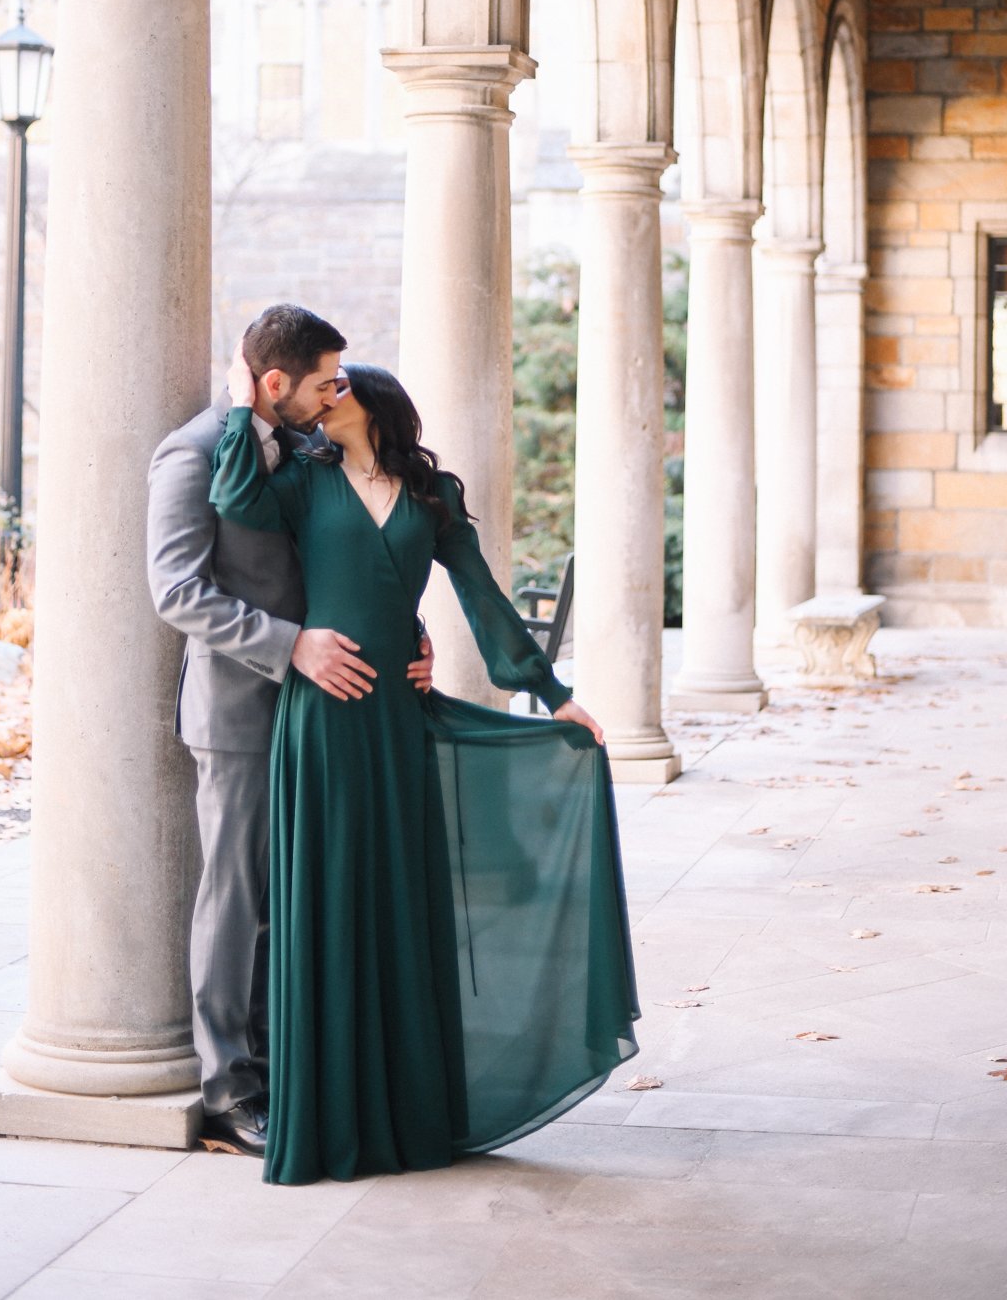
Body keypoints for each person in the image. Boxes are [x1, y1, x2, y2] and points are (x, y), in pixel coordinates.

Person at [211, 349, 640, 1187]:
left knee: (400, 902)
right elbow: (233, 497)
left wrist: (552, 693)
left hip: (396, 720)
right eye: (321, 384)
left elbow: (480, 594)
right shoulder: (301, 480)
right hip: (322, 720)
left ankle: (408, 1115)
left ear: (373, 405)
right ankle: (328, 1115)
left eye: (338, 387)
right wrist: (240, 407)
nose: (325, 396)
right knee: (327, 902)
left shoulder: (433, 498)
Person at [146, 304, 434, 1159]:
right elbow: (177, 593)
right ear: (274, 384)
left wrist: (407, 634)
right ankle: (232, 1091)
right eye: (321, 383)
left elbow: (345, 549)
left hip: (334, 712)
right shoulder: (191, 453)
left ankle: (292, 1064)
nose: (333, 394)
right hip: (239, 714)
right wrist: (288, 646)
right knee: (239, 901)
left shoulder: (311, 447)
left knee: (300, 899)